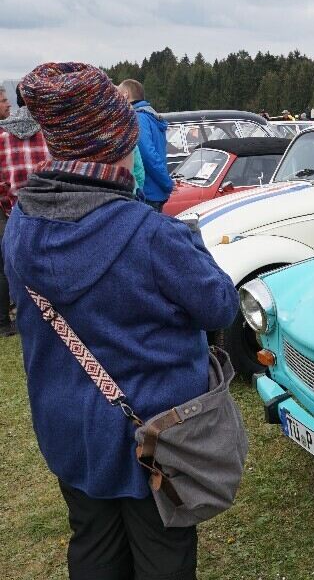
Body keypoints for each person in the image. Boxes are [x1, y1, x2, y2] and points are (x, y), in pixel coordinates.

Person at [10, 61, 238, 580]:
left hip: (68, 428)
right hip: (156, 437)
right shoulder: (154, 236)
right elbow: (219, 307)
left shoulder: (21, 224)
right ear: (116, 142)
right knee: (163, 555)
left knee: (92, 544)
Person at [0, 86, 52, 336]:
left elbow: (1, 183)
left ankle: (29, 315)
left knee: (21, 267)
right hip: (52, 210)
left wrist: (10, 206)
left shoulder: (2, 136)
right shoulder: (51, 131)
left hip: (18, 211)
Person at [117, 79, 172, 212]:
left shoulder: (137, 118)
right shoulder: (151, 116)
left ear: (125, 94)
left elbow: (148, 155)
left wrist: (167, 183)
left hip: (148, 193)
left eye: (118, 94)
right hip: (157, 191)